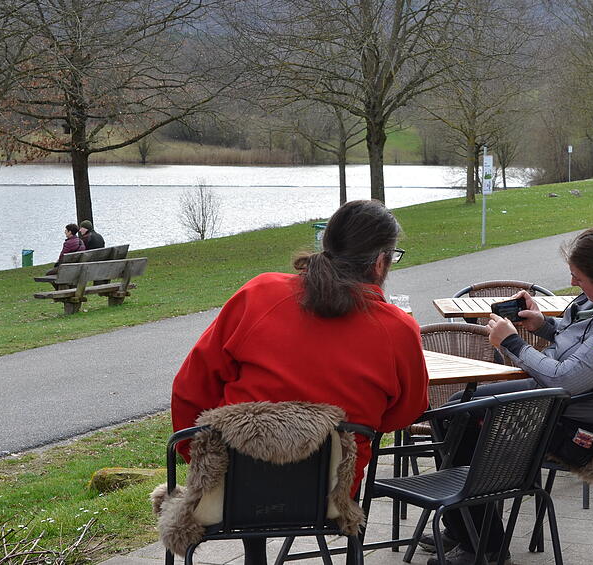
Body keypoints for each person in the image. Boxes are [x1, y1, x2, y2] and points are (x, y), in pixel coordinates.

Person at [170, 199, 430, 565]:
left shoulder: (259, 295)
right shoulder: (398, 329)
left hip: (229, 489)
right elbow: (405, 413)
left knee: (247, 465)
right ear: (379, 263)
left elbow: (189, 389)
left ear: (327, 245)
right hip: (330, 497)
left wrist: (202, 460)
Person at [425, 226, 593, 565]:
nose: (573, 282)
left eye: (578, 277)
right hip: (562, 403)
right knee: (456, 410)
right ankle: (466, 529)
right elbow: (584, 346)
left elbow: (567, 379)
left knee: (462, 418)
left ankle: (484, 545)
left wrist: (512, 342)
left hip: (581, 427)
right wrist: (543, 326)